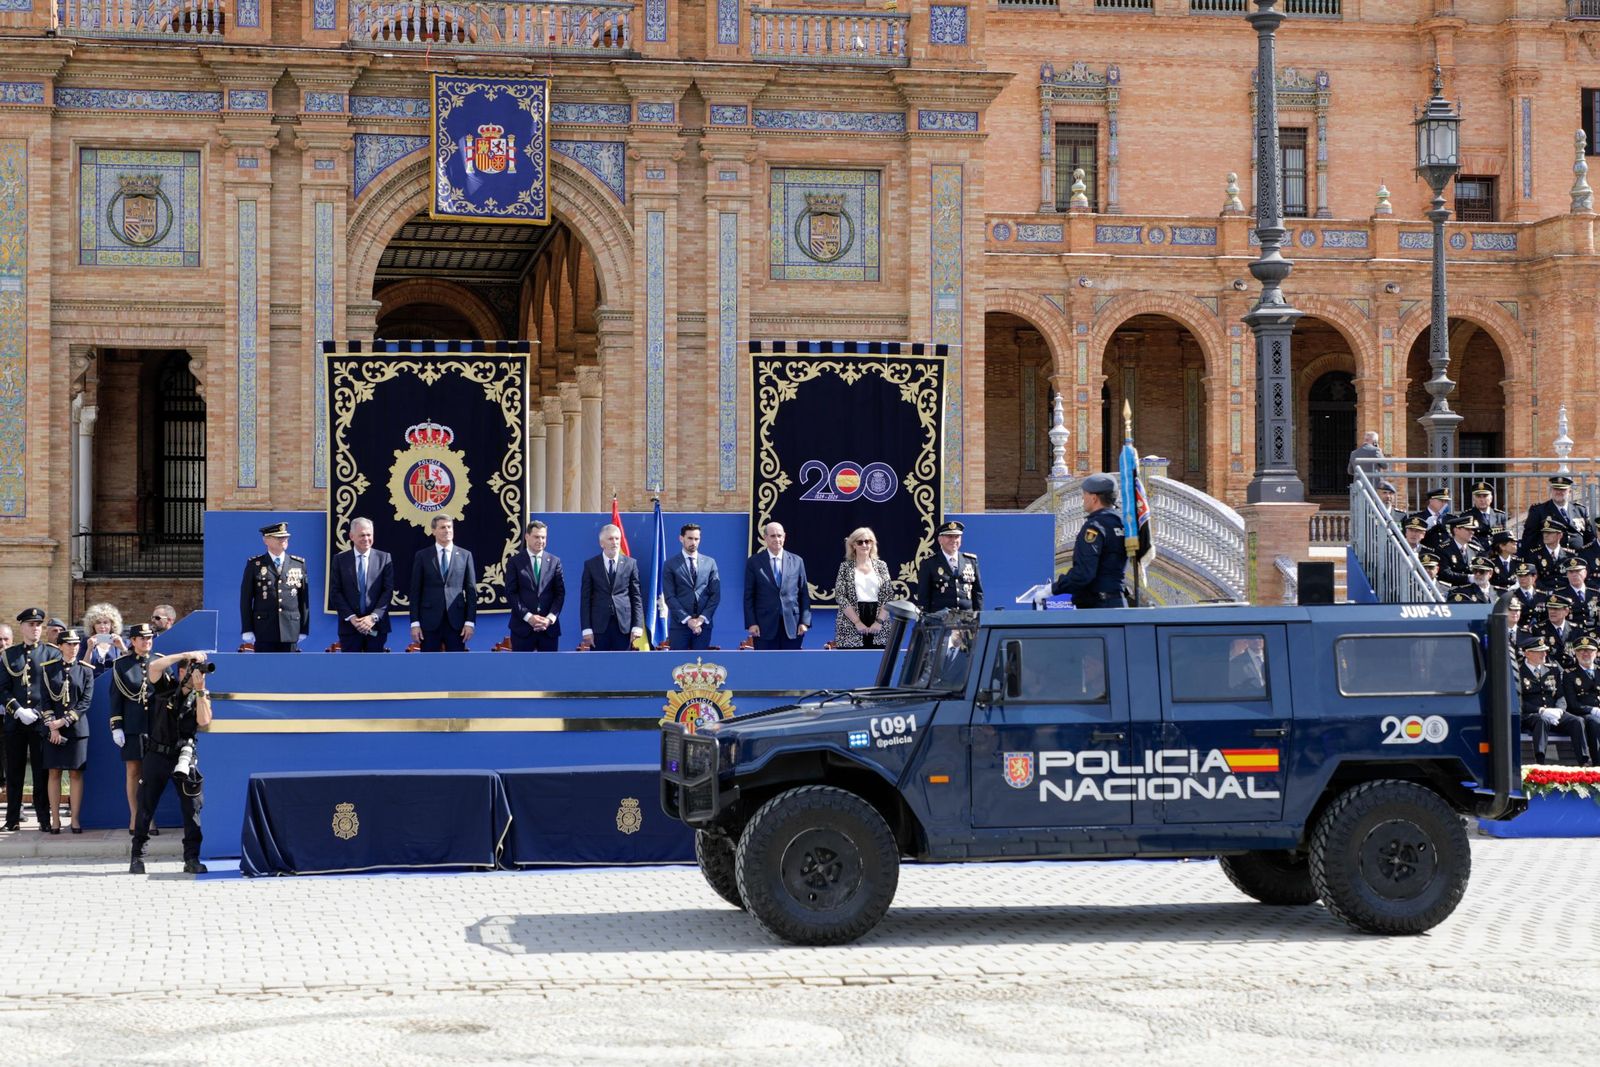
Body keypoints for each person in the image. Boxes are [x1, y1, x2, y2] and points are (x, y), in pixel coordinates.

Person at [129, 647, 213, 875]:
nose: (198, 674)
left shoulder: (201, 694)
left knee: (192, 808)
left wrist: (200, 690)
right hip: (156, 755)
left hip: (184, 756)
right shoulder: (165, 687)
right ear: (181, 671)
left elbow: (204, 721)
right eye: (193, 669)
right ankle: (137, 856)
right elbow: (154, 667)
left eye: (200, 671)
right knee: (146, 806)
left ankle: (192, 858)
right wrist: (186, 655)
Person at [1, 608, 61, 832]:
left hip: (41, 721)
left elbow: (54, 688)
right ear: (22, 627)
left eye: (38, 625)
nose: (35, 628)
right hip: (15, 722)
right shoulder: (9, 655)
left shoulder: (51, 653)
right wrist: (17, 710)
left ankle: (44, 818)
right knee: (14, 772)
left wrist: (40, 712)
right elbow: (3, 688)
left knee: (41, 771)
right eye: (30, 625)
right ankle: (13, 818)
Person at [41, 629, 92, 834]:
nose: (73, 648)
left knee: (76, 773)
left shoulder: (85, 670)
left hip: (77, 729)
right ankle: (55, 820)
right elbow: (44, 700)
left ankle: (75, 819)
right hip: (52, 728)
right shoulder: (48, 669)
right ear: (60, 646)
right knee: (54, 772)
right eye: (69, 644)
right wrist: (52, 724)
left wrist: (64, 721)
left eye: (76, 644)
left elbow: (85, 702)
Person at [1052, 473, 1128, 609]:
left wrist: (1053, 589)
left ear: (1094, 498)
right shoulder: (1122, 523)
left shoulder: (1095, 527)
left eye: (1085, 494)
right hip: (1118, 603)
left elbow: (1083, 573)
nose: (1082, 497)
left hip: (1098, 608)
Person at [109, 623, 157, 836]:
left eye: (149, 638)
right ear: (133, 641)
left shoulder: (158, 661)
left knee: (152, 774)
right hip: (132, 726)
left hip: (156, 727)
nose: (146, 642)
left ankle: (150, 817)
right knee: (133, 772)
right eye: (142, 638)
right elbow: (115, 699)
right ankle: (135, 816)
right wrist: (116, 726)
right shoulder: (121, 665)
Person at [409, 515, 477, 652]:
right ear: (433, 531)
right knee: (430, 666)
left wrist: (470, 622)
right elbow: (415, 591)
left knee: (456, 665)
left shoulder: (465, 555)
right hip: (429, 622)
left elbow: (471, 591)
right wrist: (415, 623)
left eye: (449, 527)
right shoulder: (422, 556)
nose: (447, 530)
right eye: (442, 527)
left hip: (456, 622)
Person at [240, 521, 310, 652]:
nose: (283, 540)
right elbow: (246, 599)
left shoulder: (298, 564)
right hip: (264, 630)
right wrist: (247, 629)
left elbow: (303, 600)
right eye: (279, 537)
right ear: (266, 540)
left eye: (285, 537)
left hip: (290, 629)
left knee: (290, 670)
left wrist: (304, 628)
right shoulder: (255, 565)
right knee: (265, 670)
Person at [1518, 636, 1588, 766]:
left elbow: (1560, 695)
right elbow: (1519, 702)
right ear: (1527, 653)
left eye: (1545, 650)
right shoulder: (1518, 672)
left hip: (1554, 712)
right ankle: (1540, 762)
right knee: (1542, 720)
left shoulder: (1552, 669)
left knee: (1577, 721)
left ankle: (1583, 761)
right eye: (1540, 651)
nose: (1544, 654)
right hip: (1532, 714)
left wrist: (1559, 710)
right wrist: (1541, 710)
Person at [329, 517, 394, 653]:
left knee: (375, 670)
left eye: (369, 535)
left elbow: (387, 591)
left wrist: (372, 618)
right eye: (362, 535)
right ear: (352, 536)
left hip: (376, 627)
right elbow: (335, 592)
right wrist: (352, 619)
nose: (366, 538)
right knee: (351, 670)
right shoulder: (339, 560)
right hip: (350, 627)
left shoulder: (384, 558)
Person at [744, 522, 811, 650]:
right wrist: (752, 623)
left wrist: (804, 622)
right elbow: (749, 596)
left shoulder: (797, 561)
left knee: (791, 667)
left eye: (779, 536)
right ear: (765, 537)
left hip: (793, 626)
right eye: (773, 536)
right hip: (764, 627)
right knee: (766, 667)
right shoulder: (754, 562)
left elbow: (804, 594)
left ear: (784, 536)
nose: (777, 539)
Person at [578, 524, 643, 651]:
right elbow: (585, 599)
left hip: (624, 627)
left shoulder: (631, 564)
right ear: (602, 543)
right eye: (611, 539)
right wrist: (586, 629)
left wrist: (637, 626)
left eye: (617, 539)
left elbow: (636, 597)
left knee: (623, 666)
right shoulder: (591, 565)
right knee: (600, 667)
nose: (615, 542)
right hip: (599, 627)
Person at [505, 519, 565, 652]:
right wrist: (529, 617)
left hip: (548, 630)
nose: (540, 540)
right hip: (522, 629)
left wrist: (549, 619)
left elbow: (560, 593)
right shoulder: (515, 562)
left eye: (543, 537)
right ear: (527, 537)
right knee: (521, 671)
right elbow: (511, 593)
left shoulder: (555, 562)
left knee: (549, 670)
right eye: (536, 537)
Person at [833, 526, 893, 649]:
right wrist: (857, 622)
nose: (864, 545)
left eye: (868, 541)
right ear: (853, 545)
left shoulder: (882, 566)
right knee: (851, 663)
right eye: (860, 542)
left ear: (872, 544)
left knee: (880, 663)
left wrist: (879, 622)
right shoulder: (845, 567)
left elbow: (888, 595)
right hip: (850, 620)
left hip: (879, 619)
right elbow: (840, 596)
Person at [663, 523, 719, 651]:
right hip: (679, 625)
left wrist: (701, 619)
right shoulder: (670, 564)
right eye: (690, 538)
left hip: (703, 626)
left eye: (696, 539)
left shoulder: (710, 563)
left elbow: (715, 595)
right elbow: (670, 596)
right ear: (681, 538)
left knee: (700, 666)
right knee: (678, 666)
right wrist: (687, 619)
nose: (693, 542)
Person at [915, 519, 983, 613]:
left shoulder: (970, 560)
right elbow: (923, 596)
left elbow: (977, 593)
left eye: (957, 537)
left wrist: (978, 617)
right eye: (949, 536)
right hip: (940, 621)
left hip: (967, 620)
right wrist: (925, 620)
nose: (954, 540)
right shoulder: (929, 562)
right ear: (940, 540)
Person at [1558, 635, 1600, 766]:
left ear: (1596, 653)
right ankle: (1597, 764)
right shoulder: (1569, 674)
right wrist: (1593, 710)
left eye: (1589, 650)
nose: (1585, 653)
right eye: (1581, 650)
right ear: (1575, 653)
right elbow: (1572, 704)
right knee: (1594, 721)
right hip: (1584, 714)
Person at [1433, 514, 1480, 587]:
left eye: (1472, 529)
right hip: (1452, 590)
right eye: (1468, 529)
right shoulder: (1444, 549)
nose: (1472, 532)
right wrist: (1468, 578)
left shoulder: (1474, 550)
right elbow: (1445, 573)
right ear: (1456, 530)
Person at [82, 603, 126, 674]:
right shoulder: (85, 642)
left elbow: (129, 664)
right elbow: (83, 668)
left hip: (114, 682)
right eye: (98, 623)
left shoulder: (121, 641)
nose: (102, 626)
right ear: (93, 625)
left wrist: (122, 648)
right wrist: (89, 649)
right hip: (92, 682)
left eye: (106, 623)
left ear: (112, 625)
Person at [1463, 481, 1508, 549]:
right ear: (1474, 499)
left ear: (1491, 498)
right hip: (1477, 552)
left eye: (1485, 496)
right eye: (1478, 496)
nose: (1482, 500)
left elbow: (1503, 537)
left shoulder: (1500, 516)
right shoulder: (1467, 516)